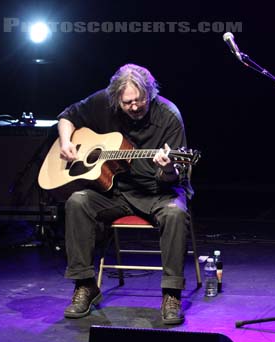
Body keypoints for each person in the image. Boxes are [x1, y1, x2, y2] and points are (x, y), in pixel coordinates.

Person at [57, 63, 191, 325]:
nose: (133, 107)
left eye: (139, 101)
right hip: (115, 190)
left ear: (150, 93)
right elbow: (67, 115)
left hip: (157, 192)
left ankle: (171, 294)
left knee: (175, 213)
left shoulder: (169, 116)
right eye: (127, 102)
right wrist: (66, 142)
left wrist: (169, 168)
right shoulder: (104, 102)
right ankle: (85, 285)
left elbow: (177, 177)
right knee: (77, 202)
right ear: (116, 97)